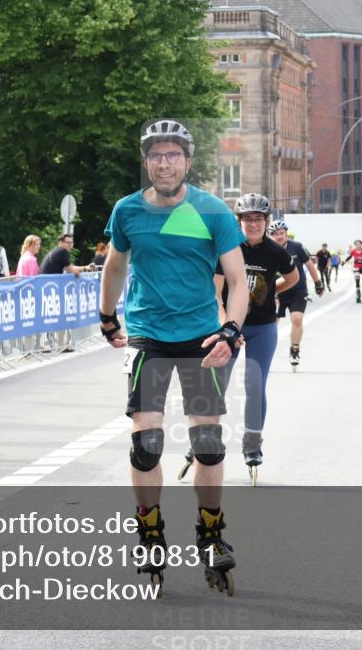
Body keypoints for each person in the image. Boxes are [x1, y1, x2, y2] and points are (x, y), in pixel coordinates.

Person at [99, 119, 248, 596]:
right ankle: (149, 533)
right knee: (146, 444)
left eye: (173, 155)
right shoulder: (127, 210)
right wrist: (107, 316)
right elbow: (115, 265)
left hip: (202, 337)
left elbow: (238, 281)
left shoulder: (212, 211)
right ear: (147, 162)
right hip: (148, 336)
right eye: (156, 155)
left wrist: (231, 330)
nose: (164, 163)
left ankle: (211, 532)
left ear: (187, 161)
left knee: (208, 443)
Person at [178, 193, 297, 485]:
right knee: (216, 386)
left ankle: (252, 443)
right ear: (238, 221)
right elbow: (215, 293)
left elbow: (293, 278)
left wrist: (271, 290)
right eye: (247, 219)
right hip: (230, 329)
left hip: (263, 326)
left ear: (266, 221)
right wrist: (227, 327)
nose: (252, 224)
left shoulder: (275, 251)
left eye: (258, 219)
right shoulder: (228, 249)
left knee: (255, 385)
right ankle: (203, 440)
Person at [268, 221, 323, 370]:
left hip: (297, 290)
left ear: (286, 233)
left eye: (281, 233)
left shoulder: (297, 247)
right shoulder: (267, 248)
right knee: (271, 325)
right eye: (275, 234)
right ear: (270, 235)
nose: (279, 236)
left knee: (297, 319)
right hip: (276, 291)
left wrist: (318, 283)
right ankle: (266, 353)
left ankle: (294, 349)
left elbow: (310, 265)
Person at [348, 239, 362, 303]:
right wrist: (344, 262)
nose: (357, 245)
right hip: (356, 268)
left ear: (361, 245)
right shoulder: (353, 251)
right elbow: (349, 257)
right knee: (357, 281)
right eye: (356, 244)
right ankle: (358, 295)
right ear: (355, 245)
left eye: (359, 244)